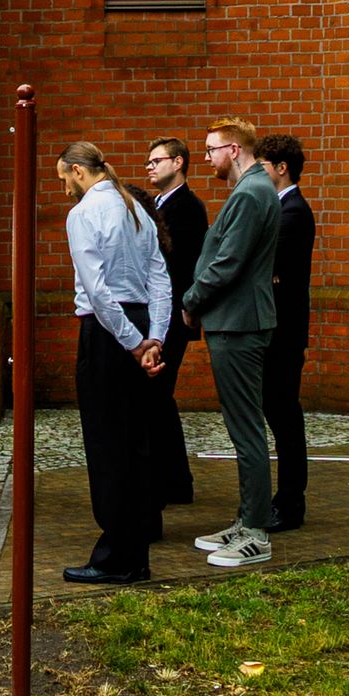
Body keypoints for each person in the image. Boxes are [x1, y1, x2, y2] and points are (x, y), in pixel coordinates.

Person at [57, 141, 170, 588]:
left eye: (64, 177)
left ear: (79, 171)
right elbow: (160, 279)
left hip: (108, 333)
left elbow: (97, 289)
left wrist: (135, 344)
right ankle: (134, 552)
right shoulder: (136, 209)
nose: (64, 187)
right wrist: (154, 337)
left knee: (108, 445)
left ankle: (117, 555)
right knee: (136, 443)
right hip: (138, 322)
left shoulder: (84, 213)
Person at [181, 118, 282, 571]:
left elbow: (228, 261)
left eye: (211, 150)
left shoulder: (250, 192)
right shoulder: (254, 189)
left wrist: (192, 300)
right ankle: (246, 520)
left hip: (239, 323)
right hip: (236, 320)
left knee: (245, 430)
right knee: (244, 427)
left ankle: (256, 533)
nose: (206, 158)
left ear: (235, 150)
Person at [254, 132, 316, 534]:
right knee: (278, 414)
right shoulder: (280, 208)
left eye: (262, 166)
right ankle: (285, 499)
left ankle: (291, 503)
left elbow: (267, 264)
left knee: (284, 418)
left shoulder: (292, 212)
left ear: (281, 168)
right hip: (277, 329)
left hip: (284, 333)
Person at [142, 137, 207, 504]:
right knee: (158, 398)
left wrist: (186, 308)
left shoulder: (188, 207)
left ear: (178, 162)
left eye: (157, 160)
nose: (150, 167)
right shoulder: (157, 204)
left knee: (157, 394)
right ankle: (175, 479)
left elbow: (180, 264)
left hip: (172, 315)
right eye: (149, 162)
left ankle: (171, 481)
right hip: (158, 313)